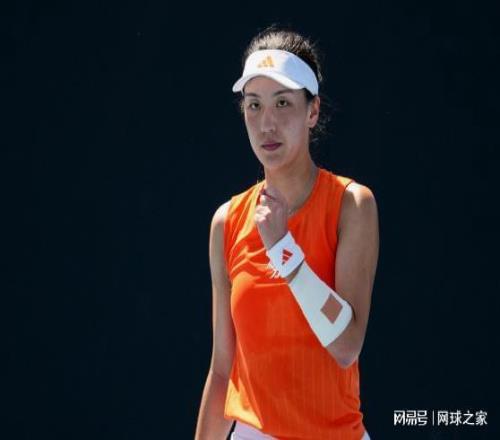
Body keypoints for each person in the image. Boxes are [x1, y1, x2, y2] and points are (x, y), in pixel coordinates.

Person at [195, 26, 379, 440]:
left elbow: (346, 346)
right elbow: (223, 368)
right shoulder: (226, 222)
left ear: (312, 112)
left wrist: (283, 249)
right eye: (254, 105)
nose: (267, 123)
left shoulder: (352, 205)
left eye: (283, 103)